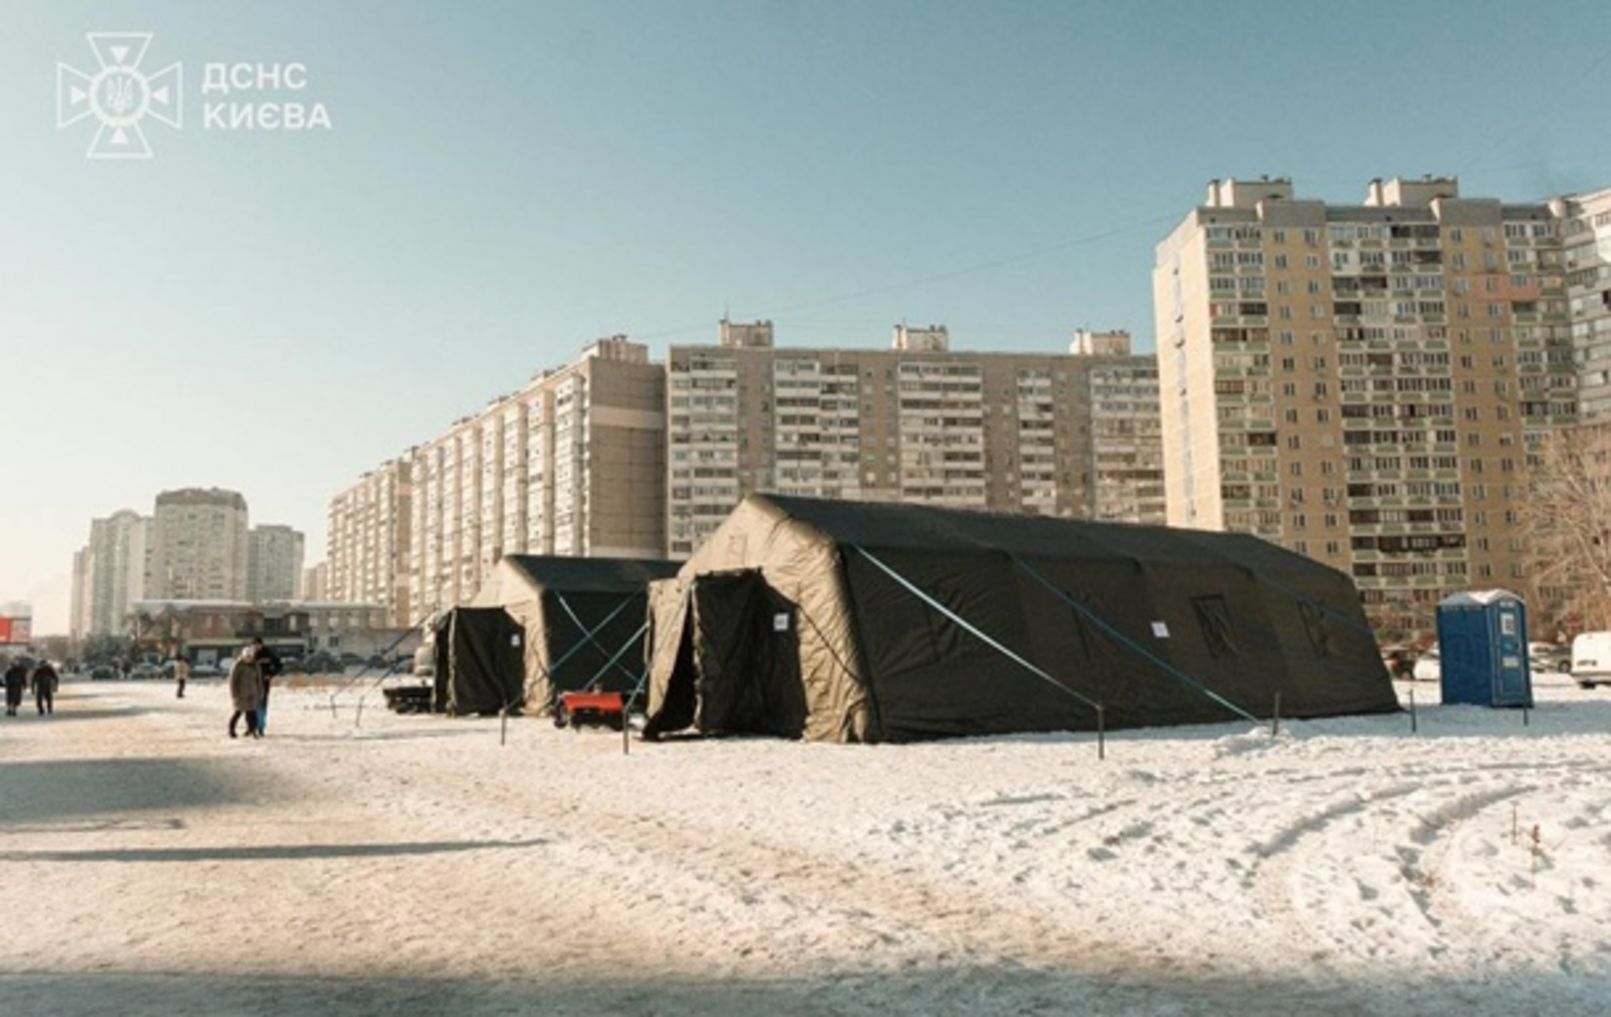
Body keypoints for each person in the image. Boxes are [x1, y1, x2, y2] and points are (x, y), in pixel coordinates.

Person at [228, 646, 264, 739]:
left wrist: (260, 692)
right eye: (247, 657)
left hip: (253, 693)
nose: (249, 659)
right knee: (238, 712)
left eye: (250, 657)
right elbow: (233, 681)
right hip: (241, 694)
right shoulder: (238, 665)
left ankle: (252, 731)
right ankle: (231, 730)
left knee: (252, 714)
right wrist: (234, 694)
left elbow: (259, 680)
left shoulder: (256, 665)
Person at [250, 637, 283, 736]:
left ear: (261, 645)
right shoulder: (250, 654)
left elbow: (279, 665)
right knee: (251, 706)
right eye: (254, 645)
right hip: (251, 683)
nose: (256, 647)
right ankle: (251, 727)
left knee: (262, 705)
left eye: (258, 645)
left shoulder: (268, 653)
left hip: (264, 683)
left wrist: (271, 674)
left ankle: (261, 727)